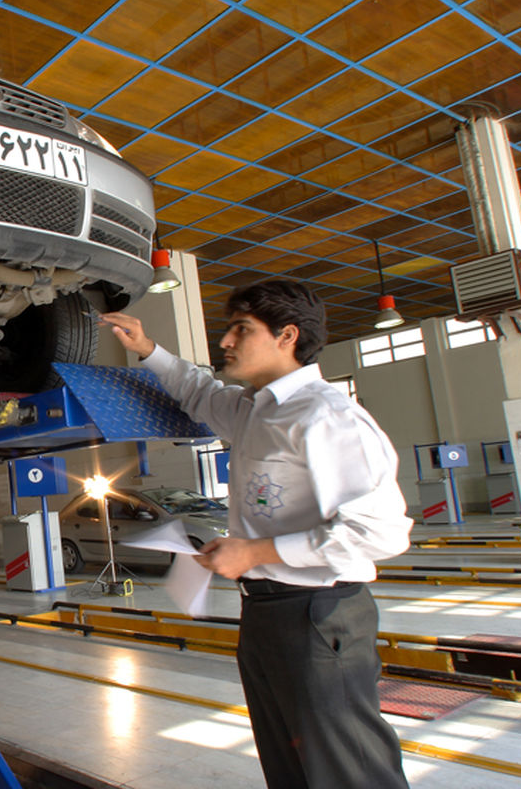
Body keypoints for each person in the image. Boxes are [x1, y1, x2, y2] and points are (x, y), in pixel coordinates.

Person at [102, 280, 412, 789]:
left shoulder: (326, 417)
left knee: (348, 770)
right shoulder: (255, 410)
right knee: (289, 764)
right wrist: (149, 350)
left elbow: (381, 531)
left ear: (287, 335)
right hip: (266, 612)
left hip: (318, 616)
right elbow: (199, 393)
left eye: (241, 330)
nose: (225, 342)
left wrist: (257, 551)